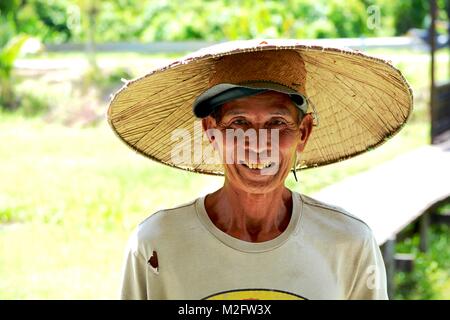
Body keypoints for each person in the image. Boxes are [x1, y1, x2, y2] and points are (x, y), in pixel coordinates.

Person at [107, 40, 413, 300]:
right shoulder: (157, 244)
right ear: (212, 132)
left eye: (277, 124)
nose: (257, 144)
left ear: (303, 133)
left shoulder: (348, 243)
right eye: (239, 123)